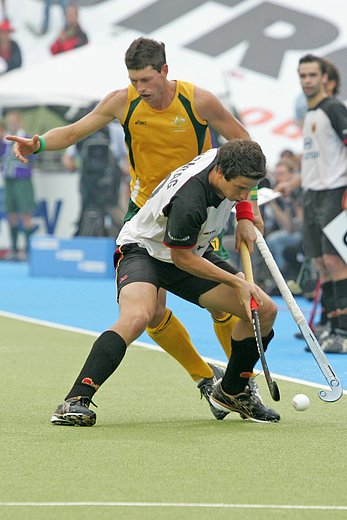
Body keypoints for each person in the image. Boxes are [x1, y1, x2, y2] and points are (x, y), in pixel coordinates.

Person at [6, 37, 263, 419]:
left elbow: (245, 144)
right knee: (151, 313)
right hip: (144, 217)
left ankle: (238, 388)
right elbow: (75, 132)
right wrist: (38, 143)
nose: (140, 88)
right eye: (134, 79)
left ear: (164, 71)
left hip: (198, 214)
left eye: (146, 79)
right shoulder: (122, 101)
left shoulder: (199, 101)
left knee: (228, 307)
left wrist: (245, 210)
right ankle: (205, 380)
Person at [49, 140, 280, 426]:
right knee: (138, 317)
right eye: (240, 189)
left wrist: (245, 215)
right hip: (144, 251)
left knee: (265, 310)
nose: (245, 194)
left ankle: (232, 391)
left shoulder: (229, 159)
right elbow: (181, 260)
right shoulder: (190, 199)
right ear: (219, 173)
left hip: (191, 249)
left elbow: (246, 160)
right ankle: (75, 399)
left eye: (249, 189)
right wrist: (236, 281)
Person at [297, 54, 347, 353]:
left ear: (325, 78)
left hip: (333, 192)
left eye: (312, 75)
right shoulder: (310, 113)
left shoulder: (334, 108)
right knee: (319, 262)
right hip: (311, 194)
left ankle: (343, 330)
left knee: (334, 261)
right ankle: (330, 323)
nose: (307, 81)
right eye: (302, 75)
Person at [1, 111, 36, 260]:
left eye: (14, 121)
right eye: (9, 121)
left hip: (22, 180)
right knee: (11, 213)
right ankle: (14, 249)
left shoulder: (26, 137)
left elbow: (33, 156)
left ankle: (28, 250)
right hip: (8, 180)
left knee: (26, 213)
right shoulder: (5, 140)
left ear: (20, 121)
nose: (12, 124)